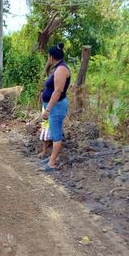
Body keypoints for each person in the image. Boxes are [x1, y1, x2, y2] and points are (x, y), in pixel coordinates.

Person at [39, 43, 71, 171]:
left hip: (56, 107)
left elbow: (58, 91)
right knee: (53, 132)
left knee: (56, 134)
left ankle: (52, 163)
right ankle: (52, 157)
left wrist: (48, 109)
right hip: (53, 106)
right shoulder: (57, 67)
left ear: (51, 57)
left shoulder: (61, 69)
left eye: (48, 56)